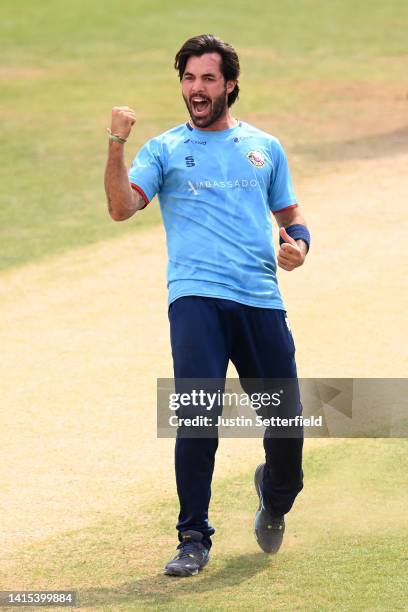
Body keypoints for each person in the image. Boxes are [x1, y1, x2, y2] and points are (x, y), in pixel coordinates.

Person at [104, 34, 310, 577]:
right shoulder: (165, 149)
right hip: (194, 297)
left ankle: (277, 491)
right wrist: (115, 145)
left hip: (261, 299)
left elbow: (290, 215)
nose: (196, 89)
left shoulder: (264, 146)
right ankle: (193, 536)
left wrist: (300, 246)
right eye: (189, 79)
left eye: (208, 79)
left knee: (286, 425)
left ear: (229, 85)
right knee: (197, 412)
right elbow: (123, 208)